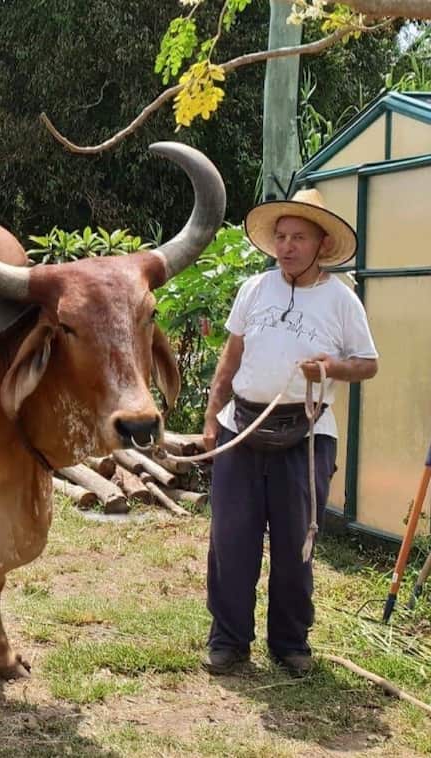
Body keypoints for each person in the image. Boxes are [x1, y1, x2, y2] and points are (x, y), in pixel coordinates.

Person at [201, 188, 378, 675]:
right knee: (231, 537)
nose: (287, 245)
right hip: (242, 426)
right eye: (281, 236)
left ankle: (290, 643)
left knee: (295, 542)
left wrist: (333, 367)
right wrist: (211, 419)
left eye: (299, 237)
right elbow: (230, 358)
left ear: (322, 244)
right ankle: (229, 641)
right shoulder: (253, 290)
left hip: (307, 434)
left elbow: (368, 365)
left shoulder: (342, 300)